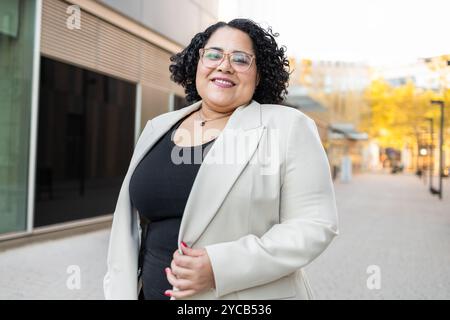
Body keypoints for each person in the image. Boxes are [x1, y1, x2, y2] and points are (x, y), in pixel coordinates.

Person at [103, 18, 339, 300]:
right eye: (213, 54)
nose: (224, 65)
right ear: (197, 63)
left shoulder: (288, 127)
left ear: (259, 75)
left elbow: (314, 225)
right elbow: (129, 230)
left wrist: (219, 267)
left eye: (240, 59)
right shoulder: (158, 127)